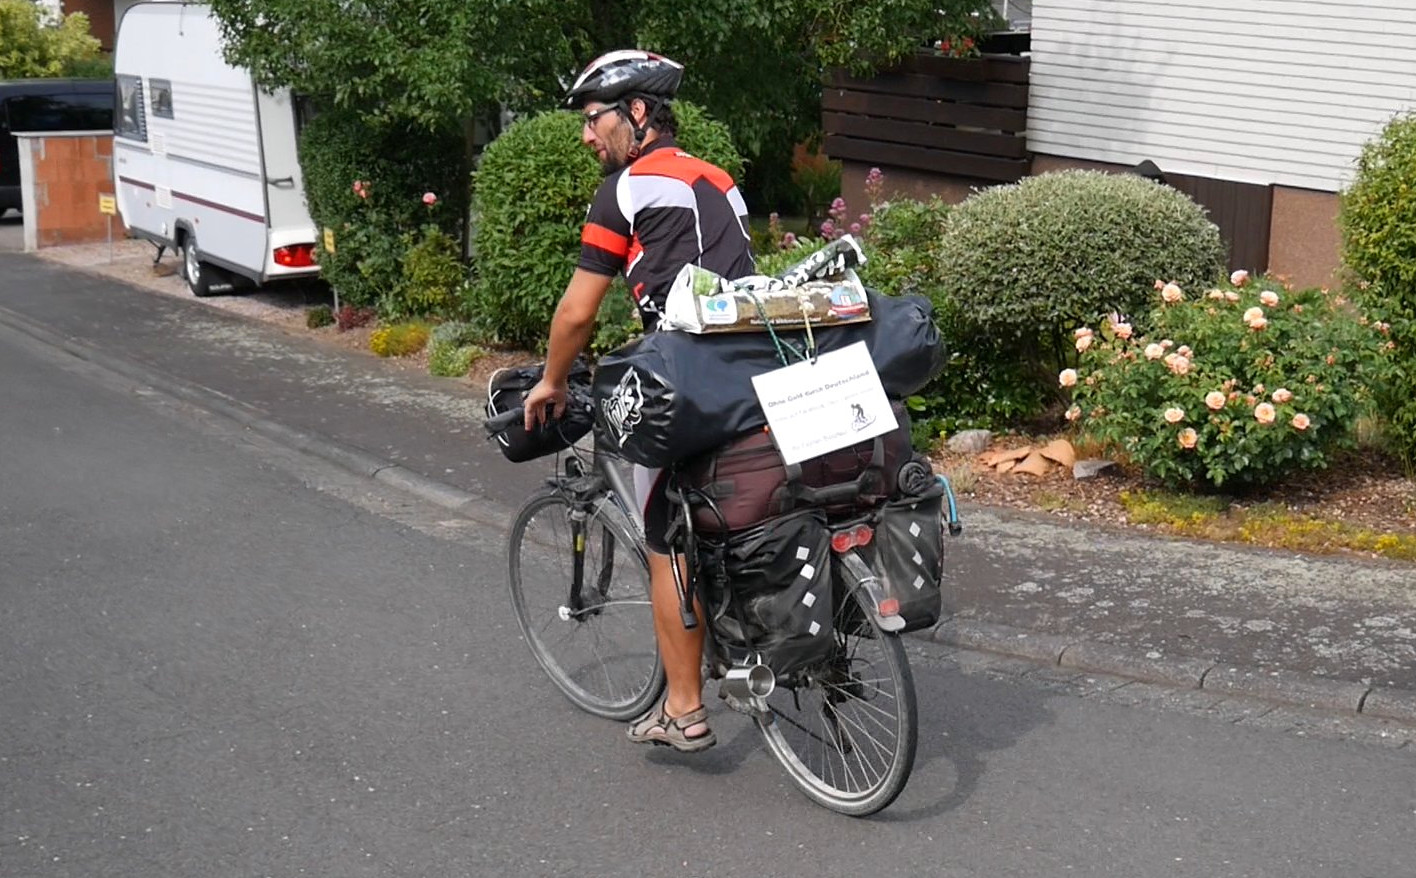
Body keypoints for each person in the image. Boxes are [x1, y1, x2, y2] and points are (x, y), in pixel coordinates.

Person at [522, 50, 755, 752]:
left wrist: (552, 380)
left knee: (665, 538)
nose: (587, 136)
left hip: (688, 385)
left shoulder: (624, 190)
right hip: (755, 366)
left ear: (639, 114)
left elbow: (575, 313)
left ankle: (683, 709)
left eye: (594, 120)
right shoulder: (720, 180)